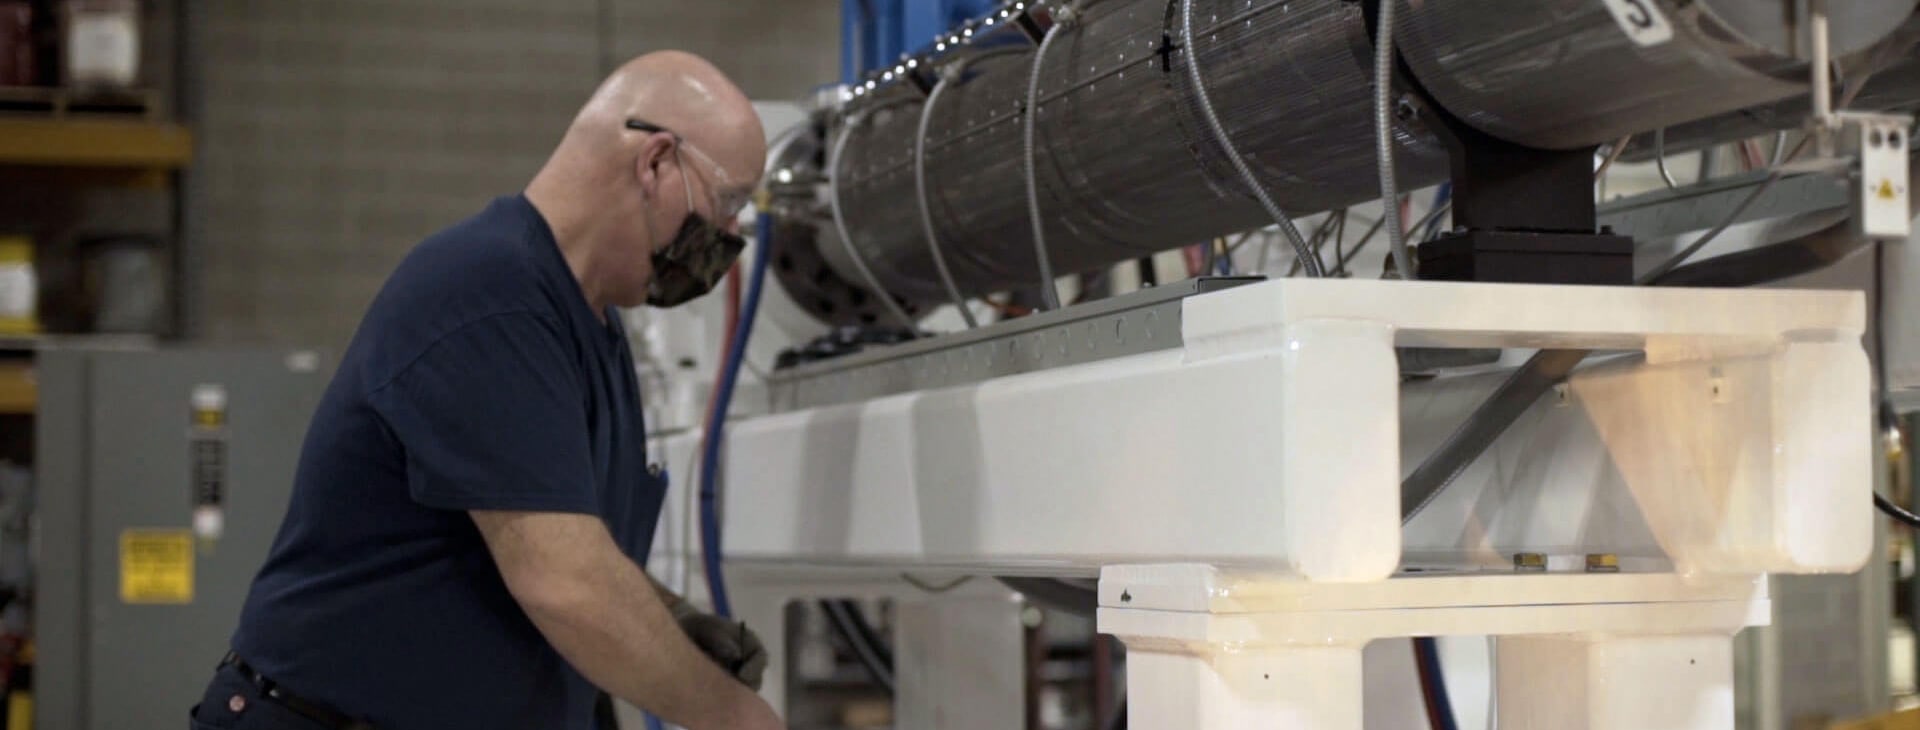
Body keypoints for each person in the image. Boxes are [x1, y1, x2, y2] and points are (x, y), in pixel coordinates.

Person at [188, 51, 783, 730]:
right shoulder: (489, 295)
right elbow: (566, 584)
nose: (731, 235)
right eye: (729, 202)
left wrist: (672, 627)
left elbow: (557, 536)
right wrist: (731, 715)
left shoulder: (588, 325)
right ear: (655, 163)